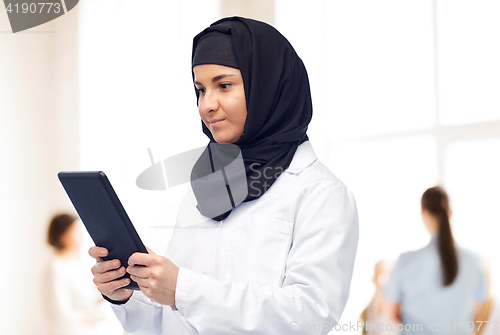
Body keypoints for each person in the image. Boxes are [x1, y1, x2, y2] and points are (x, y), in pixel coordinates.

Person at [88, 16, 359, 334]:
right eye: (200, 89)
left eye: (224, 85)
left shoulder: (320, 193)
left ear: (268, 86)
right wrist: (127, 295)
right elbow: (172, 319)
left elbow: (310, 317)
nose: (206, 105)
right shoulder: (206, 185)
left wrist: (183, 289)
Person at [382, 186, 488, 335]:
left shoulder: (406, 261)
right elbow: (477, 316)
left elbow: (390, 314)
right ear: (450, 213)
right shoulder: (474, 261)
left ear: (423, 213)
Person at [44, 213, 105, 335]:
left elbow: (86, 295)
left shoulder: (75, 264)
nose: (82, 236)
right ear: (63, 236)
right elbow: (61, 316)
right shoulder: (55, 268)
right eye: (77, 232)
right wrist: (93, 316)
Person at [360, 260, 399, 335]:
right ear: (374, 278)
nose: (387, 278)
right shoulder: (366, 313)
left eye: (390, 274)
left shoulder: (399, 310)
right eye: (383, 273)